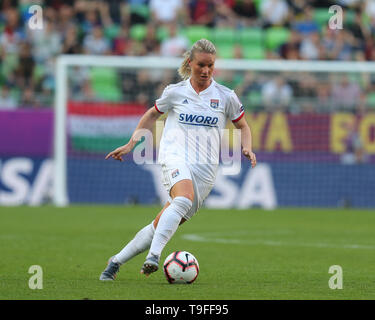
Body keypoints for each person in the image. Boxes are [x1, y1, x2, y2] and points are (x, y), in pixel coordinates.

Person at [99, 39, 257, 280]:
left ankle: (115, 262)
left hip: (205, 172)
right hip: (174, 157)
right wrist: (132, 143)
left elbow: (243, 126)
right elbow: (152, 114)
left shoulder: (226, 96)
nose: (205, 71)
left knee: (160, 224)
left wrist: (247, 147)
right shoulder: (174, 92)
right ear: (189, 63)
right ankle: (154, 256)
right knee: (182, 198)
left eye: (210, 66)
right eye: (201, 65)